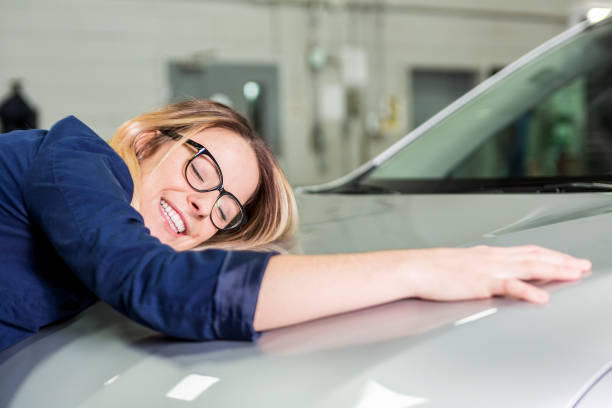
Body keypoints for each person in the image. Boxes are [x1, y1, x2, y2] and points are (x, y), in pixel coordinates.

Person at [0, 100, 591, 352]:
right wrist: (425, 265)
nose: (207, 207)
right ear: (150, 141)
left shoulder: (87, 245)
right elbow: (159, 285)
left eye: (227, 210)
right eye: (202, 170)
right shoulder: (72, 158)